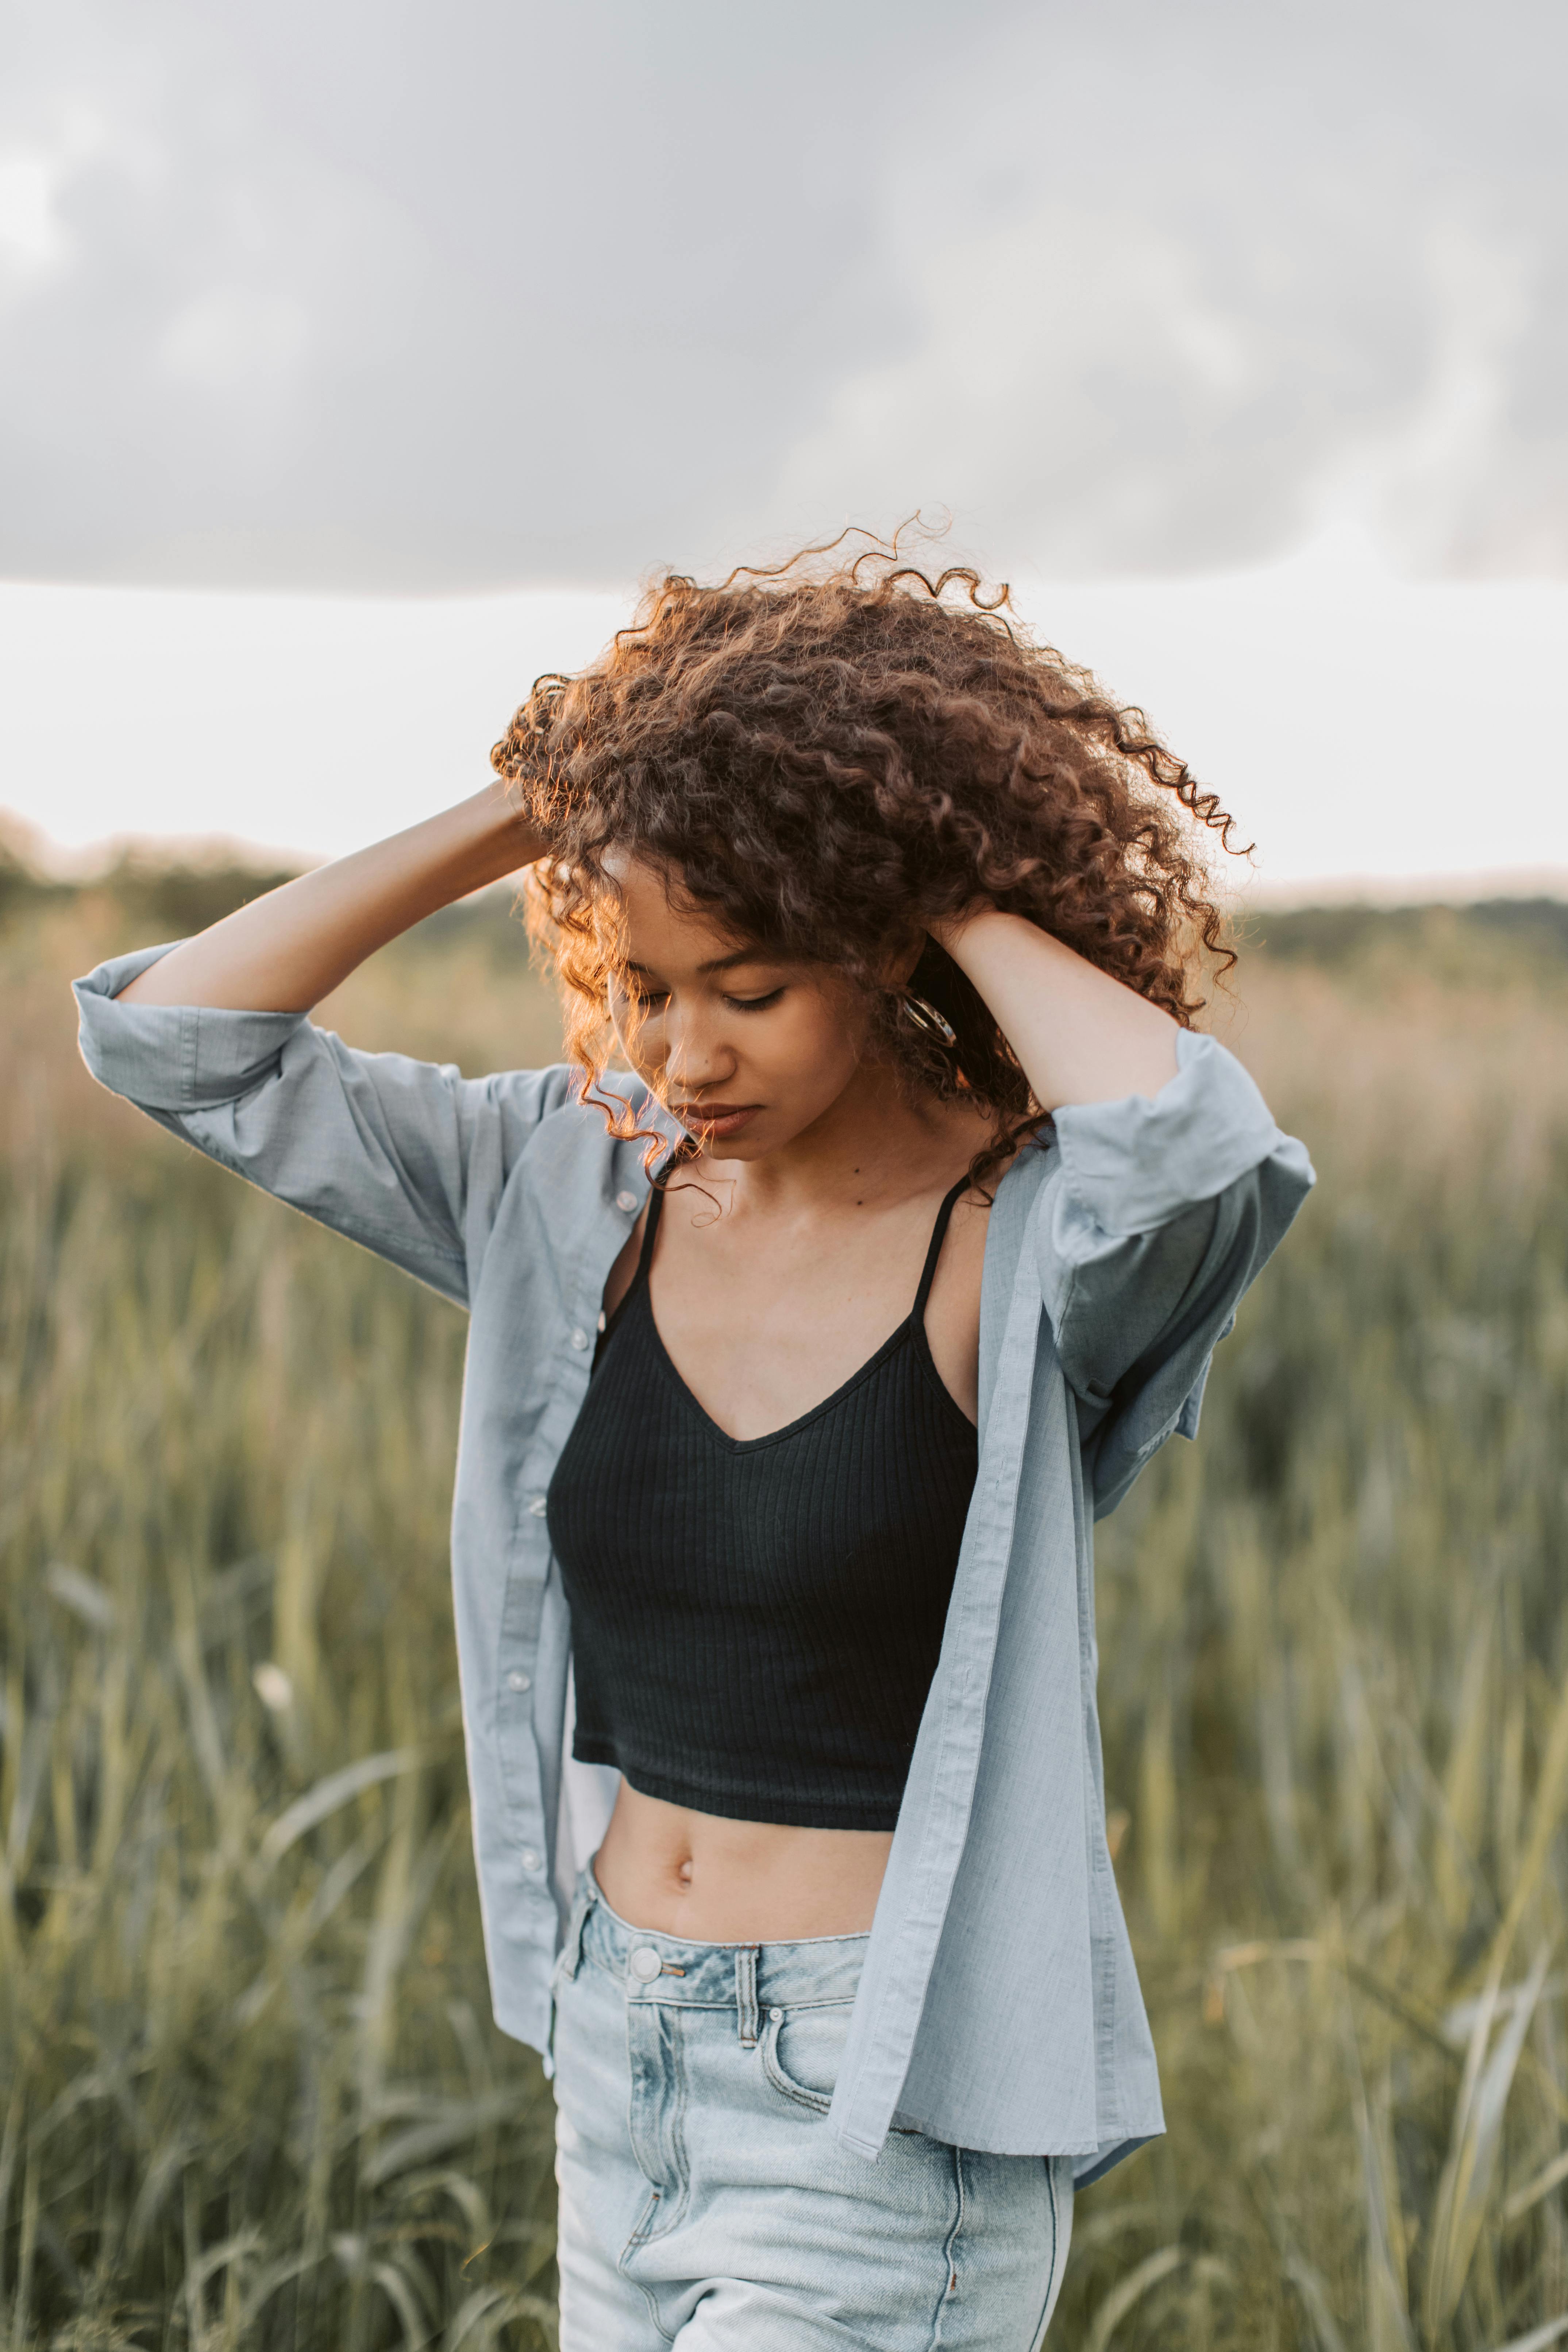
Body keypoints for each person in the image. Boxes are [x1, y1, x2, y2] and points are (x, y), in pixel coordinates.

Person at [76, 537, 1314, 2350]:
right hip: (615, 2050)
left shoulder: (1023, 1232)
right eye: (646, 985)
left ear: (875, 944)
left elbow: (1195, 1151)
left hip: (871, 2104)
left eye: (748, 986)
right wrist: (535, 803)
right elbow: (180, 1042)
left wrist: (937, 862)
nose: (683, 1050)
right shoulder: (567, 1184)